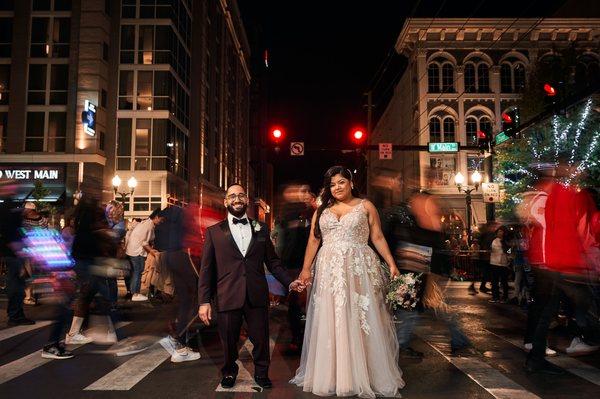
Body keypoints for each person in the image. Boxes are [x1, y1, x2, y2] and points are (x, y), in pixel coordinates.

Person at [291, 166, 404, 398]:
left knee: (359, 317)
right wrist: (305, 269)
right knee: (331, 318)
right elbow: (314, 240)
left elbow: (378, 237)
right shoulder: (322, 210)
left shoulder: (366, 206)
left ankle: (364, 373)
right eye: (332, 184)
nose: (337, 187)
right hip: (329, 270)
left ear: (351, 183)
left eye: (341, 182)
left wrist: (391, 263)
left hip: (359, 267)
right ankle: (334, 374)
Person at [198, 183, 300, 389]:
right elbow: (207, 270)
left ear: (246, 200)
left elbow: (273, 262)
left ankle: (261, 373)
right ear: (226, 201)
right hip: (227, 294)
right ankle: (228, 372)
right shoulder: (214, 232)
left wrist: (290, 282)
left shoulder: (261, 229)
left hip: (256, 294)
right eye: (232, 196)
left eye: (241, 195)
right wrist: (204, 301)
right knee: (228, 340)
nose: (237, 199)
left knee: (261, 339)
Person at [0, 200, 35, 326]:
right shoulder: (10, 214)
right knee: (17, 286)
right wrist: (19, 251)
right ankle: (15, 315)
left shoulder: (10, 212)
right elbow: (11, 235)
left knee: (18, 285)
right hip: (14, 255)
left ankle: (16, 314)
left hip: (14, 254)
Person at [125, 209, 163, 302]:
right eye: (161, 219)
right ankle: (135, 294)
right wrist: (153, 252)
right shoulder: (149, 225)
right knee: (138, 271)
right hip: (136, 251)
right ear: (156, 217)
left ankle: (134, 292)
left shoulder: (146, 222)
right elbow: (144, 243)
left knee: (137, 271)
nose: (162, 221)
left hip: (133, 249)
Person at [489, 227, 511, 303]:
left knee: (504, 281)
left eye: (501, 231)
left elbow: (509, 250)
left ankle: (505, 297)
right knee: (494, 281)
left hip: (503, 264)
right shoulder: (493, 241)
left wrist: (508, 254)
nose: (500, 233)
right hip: (494, 263)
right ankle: (495, 297)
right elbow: (490, 249)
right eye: (499, 231)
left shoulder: (506, 241)